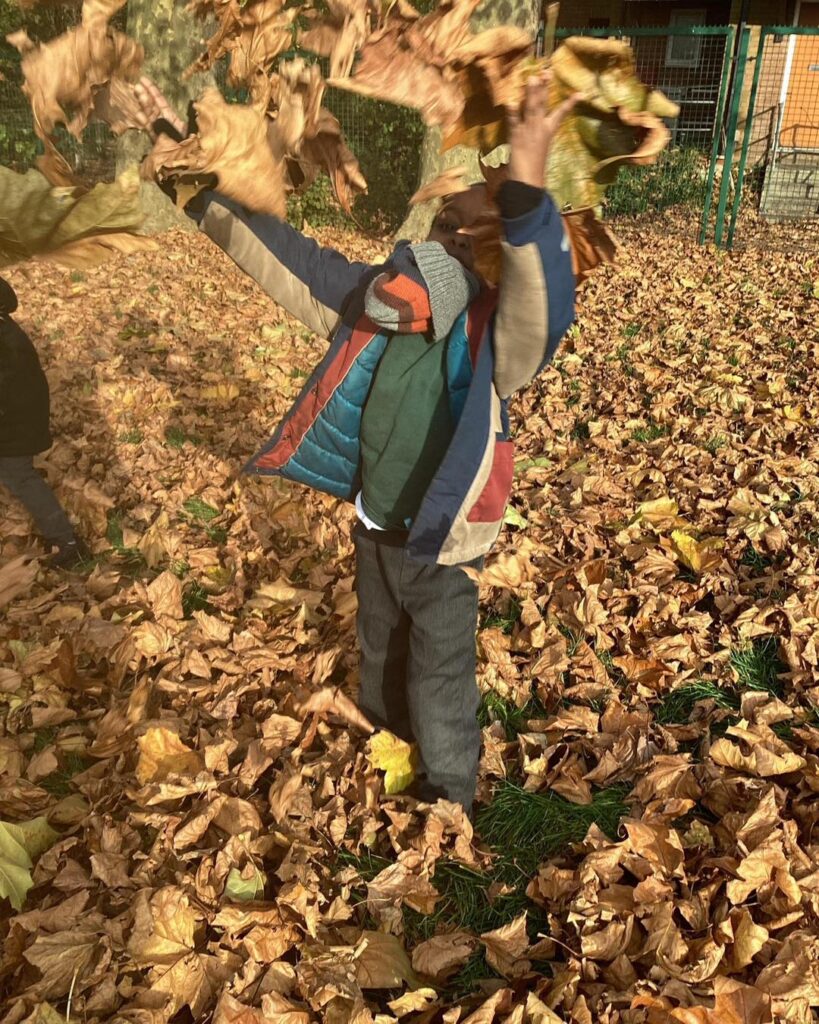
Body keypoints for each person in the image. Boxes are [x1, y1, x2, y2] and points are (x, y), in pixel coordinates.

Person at [135, 73, 577, 812]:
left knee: (437, 668)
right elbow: (282, 254)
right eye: (447, 224)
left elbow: (545, 289)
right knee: (378, 644)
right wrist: (191, 170)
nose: (457, 240)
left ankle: (447, 797)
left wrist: (527, 185)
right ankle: (381, 734)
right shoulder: (376, 299)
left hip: (442, 541)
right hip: (374, 520)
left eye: (475, 231)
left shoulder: (501, 333)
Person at [0, 277, 90, 569]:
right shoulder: (5, 329)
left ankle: (68, 542)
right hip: (17, 417)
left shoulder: (6, 341)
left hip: (16, 423)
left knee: (19, 475)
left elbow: (10, 391)